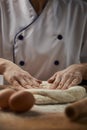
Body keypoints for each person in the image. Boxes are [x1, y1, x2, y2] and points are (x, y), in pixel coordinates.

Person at [0, 0, 87, 90]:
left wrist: (80, 69)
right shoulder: (3, 6)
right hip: (14, 94)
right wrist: (5, 66)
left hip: (65, 94)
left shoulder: (80, 9)